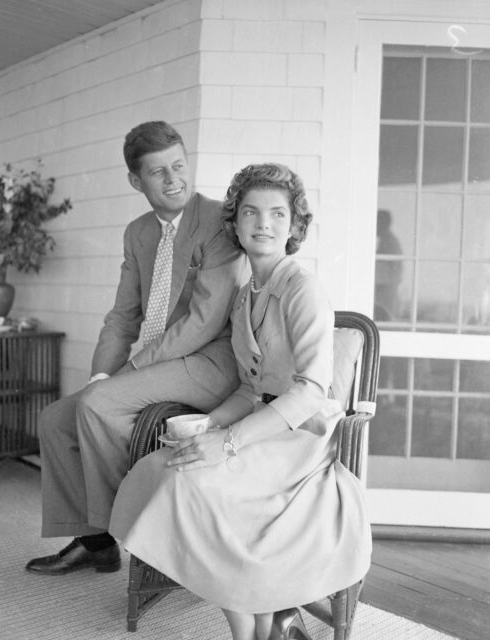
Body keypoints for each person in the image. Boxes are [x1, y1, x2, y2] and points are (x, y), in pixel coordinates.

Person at [109, 164, 372, 640]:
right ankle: (262, 625)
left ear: (294, 226)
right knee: (166, 467)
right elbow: (251, 389)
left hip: (302, 437)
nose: (262, 223)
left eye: (276, 213)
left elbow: (311, 390)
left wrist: (227, 442)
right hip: (257, 425)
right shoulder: (242, 295)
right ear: (234, 224)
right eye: (249, 212)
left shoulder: (302, 288)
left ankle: (257, 626)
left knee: (199, 484)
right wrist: (208, 423)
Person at [25, 121, 248, 576]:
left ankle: (138, 534)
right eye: (158, 172)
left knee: (100, 405)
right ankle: (96, 542)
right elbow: (122, 316)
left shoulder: (218, 223)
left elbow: (203, 323)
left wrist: (127, 372)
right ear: (136, 181)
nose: (173, 180)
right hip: (154, 360)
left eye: (179, 166)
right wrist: (101, 375)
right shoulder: (138, 232)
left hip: (210, 360)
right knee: (56, 419)